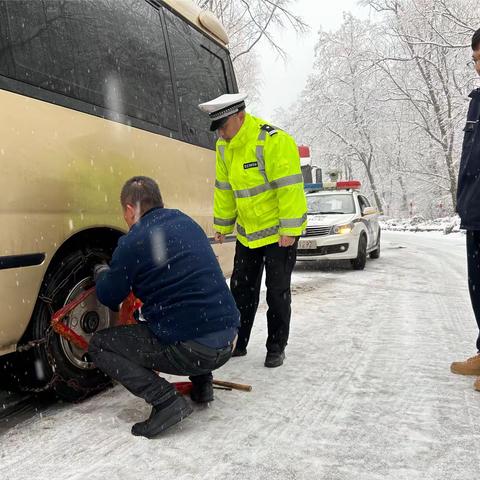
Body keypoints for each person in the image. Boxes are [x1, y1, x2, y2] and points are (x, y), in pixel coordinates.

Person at [88, 176, 240, 438]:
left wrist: (102, 271)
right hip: (229, 339)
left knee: (100, 345)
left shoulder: (134, 240)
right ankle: (203, 384)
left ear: (128, 209)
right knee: (191, 310)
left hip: (194, 350)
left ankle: (166, 402)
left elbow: (108, 295)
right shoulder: (186, 222)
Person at [198, 93, 307, 368]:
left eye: (223, 126)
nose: (221, 134)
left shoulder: (272, 141)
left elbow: (289, 188)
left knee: (276, 292)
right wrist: (222, 225)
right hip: (248, 235)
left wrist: (290, 230)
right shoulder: (224, 147)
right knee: (241, 290)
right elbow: (225, 190)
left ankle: (276, 346)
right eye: (217, 128)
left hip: (278, 235)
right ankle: (238, 342)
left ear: (240, 117)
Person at [451, 28, 480, 390]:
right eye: (475, 59)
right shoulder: (477, 101)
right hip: (475, 210)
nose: (478, 66)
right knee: (478, 288)